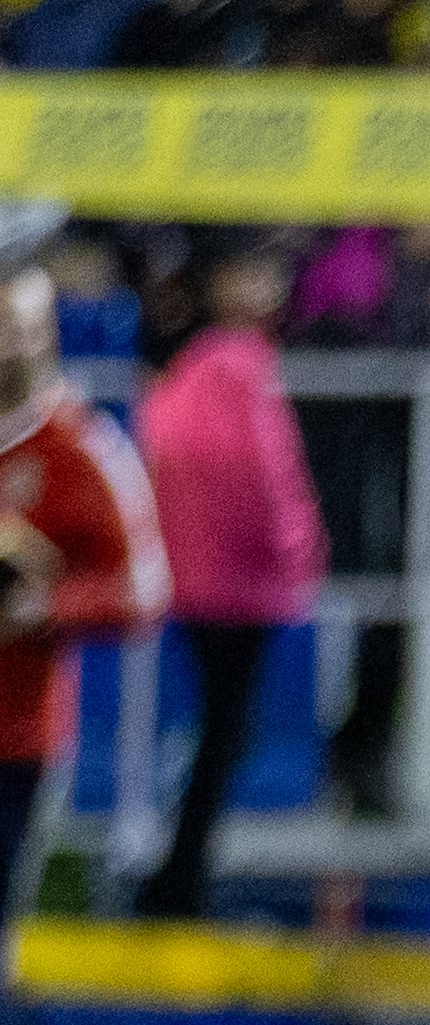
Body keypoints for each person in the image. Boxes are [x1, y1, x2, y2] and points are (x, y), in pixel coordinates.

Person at [129, 240, 323, 919]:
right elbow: (268, 480)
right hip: (243, 586)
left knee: (214, 733)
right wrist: (302, 555)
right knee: (223, 737)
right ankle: (180, 881)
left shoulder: (180, 371)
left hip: (197, 582)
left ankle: (177, 876)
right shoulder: (241, 367)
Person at [0, 263, 168, 967]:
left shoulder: (80, 449)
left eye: (18, 328)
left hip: (12, 739)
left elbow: (143, 587)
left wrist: (43, 603)